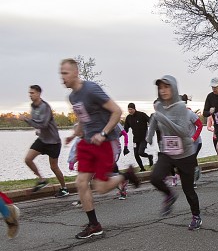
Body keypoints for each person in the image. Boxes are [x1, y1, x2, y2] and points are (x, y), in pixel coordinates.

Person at [60, 58, 139, 239]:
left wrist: (103, 133)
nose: (62, 77)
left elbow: (117, 111)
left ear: (75, 72)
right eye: (61, 74)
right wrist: (74, 135)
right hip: (87, 144)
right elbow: (83, 119)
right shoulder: (72, 97)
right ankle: (94, 225)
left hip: (104, 142)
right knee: (80, 183)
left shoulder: (91, 89)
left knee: (101, 187)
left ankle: (126, 175)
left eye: (65, 73)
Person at [147, 76, 202, 230]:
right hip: (168, 151)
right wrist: (149, 134)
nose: (163, 90)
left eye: (166, 87)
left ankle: (196, 216)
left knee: (188, 189)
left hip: (185, 153)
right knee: (155, 178)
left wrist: (164, 119)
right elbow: (154, 119)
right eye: (160, 88)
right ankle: (169, 195)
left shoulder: (180, 107)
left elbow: (183, 132)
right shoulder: (158, 105)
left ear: (174, 88)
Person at [21, 85, 69, 197]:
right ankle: (42, 180)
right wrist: (38, 131)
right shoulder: (33, 107)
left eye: (32, 93)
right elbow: (37, 123)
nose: (30, 95)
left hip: (53, 142)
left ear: (38, 93)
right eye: (29, 93)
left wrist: (27, 120)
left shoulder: (45, 106)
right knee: (28, 159)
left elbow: (43, 124)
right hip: (43, 140)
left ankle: (64, 188)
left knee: (54, 167)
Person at [124, 103, 154, 171]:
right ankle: (142, 168)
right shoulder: (128, 118)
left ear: (134, 108)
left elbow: (150, 121)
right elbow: (126, 129)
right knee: (136, 155)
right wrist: (120, 134)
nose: (130, 111)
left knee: (140, 152)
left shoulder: (141, 115)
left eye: (131, 109)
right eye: (128, 109)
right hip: (135, 139)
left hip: (144, 138)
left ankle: (149, 156)